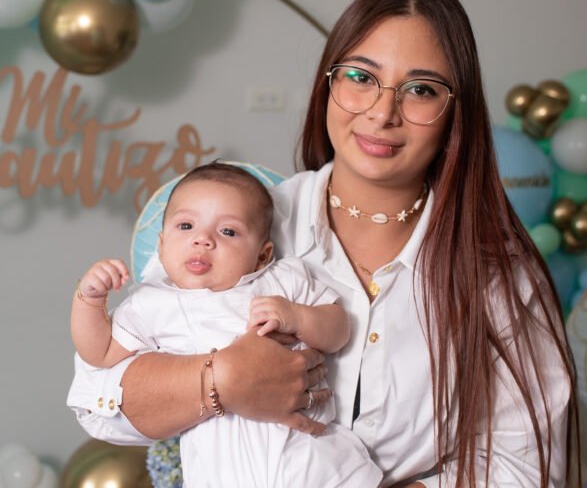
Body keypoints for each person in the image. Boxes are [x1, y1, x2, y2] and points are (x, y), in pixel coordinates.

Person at [68, 0, 578, 487]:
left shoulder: (495, 269)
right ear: (328, 84)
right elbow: (100, 402)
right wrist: (220, 380)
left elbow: (526, 467)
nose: (383, 112)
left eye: (421, 90)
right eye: (361, 77)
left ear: (455, 113)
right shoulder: (233, 228)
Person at [71, 163, 383, 487]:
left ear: (262, 255)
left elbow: (338, 331)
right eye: (186, 225)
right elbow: (101, 353)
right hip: (223, 473)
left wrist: (299, 316)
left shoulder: (281, 279)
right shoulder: (152, 303)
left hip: (313, 461)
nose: (202, 239)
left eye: (228, 231)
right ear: (161, 246)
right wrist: (90, 299)